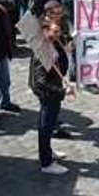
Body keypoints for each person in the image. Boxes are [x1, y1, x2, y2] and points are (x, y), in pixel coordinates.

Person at [31, 20, 71, 174]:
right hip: (49, 94)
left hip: (54, 92)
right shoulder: (42, 52)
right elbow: (41, 82)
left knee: (50, 123)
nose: (57, 34)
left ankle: (48, 151)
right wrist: (62, 91)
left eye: (58, 31)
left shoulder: (52, 44)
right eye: (54, 32)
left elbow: (62, 64)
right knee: (45, 127)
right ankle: (46, 163)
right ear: (45, 31)